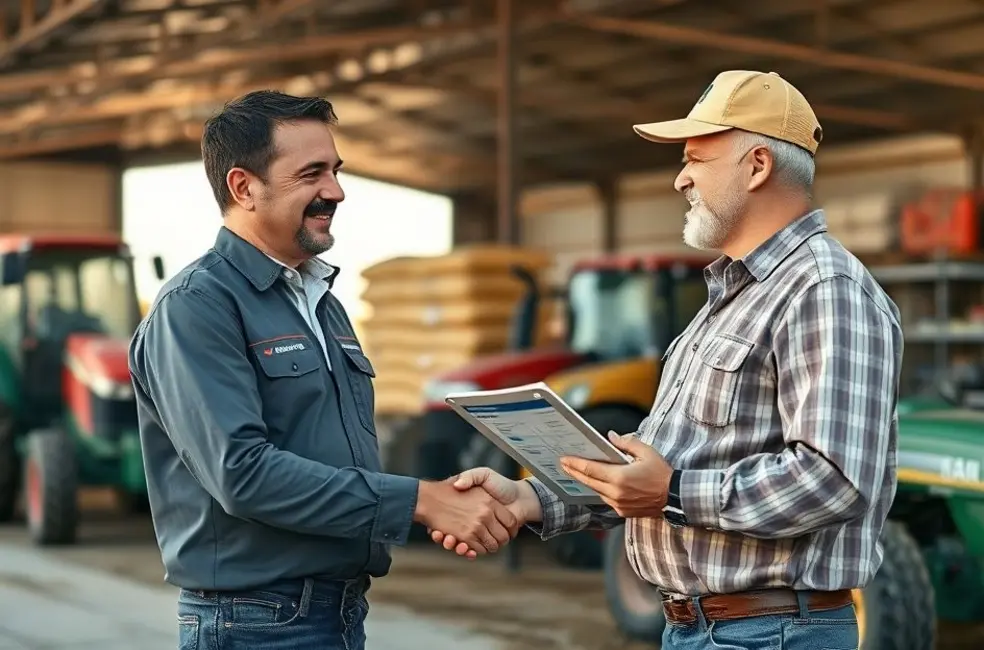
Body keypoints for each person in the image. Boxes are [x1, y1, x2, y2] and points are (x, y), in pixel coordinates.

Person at [430, 70, 903, 650]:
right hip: (706, 628)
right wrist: (531, 499)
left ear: (758, 165)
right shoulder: (728, 300)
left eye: (696, 159)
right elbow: (656, 471)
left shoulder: (824, 289)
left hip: (773, 632)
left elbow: (833, 480)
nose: (680, 178)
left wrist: (673, 492)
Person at [127, 90, 520, 650]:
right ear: (244, 188)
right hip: (256, 620)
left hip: (332, 610)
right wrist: (421, 501)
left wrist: (445, 502)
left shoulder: (321, 303)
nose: (335, 191)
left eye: (335, 171)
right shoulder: (198, 306)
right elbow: (242, 474)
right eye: (311, 173)